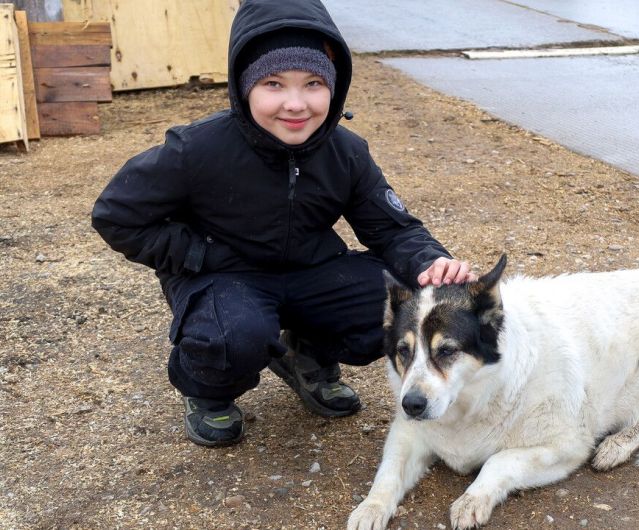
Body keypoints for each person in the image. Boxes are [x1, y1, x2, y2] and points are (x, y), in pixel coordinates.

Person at [91, 0, 475, 447]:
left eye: (313, 83)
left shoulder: (345, 151)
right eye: (273, 83)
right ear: (243, 85)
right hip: (223, 277)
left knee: (392, 307)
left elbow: (392, 229)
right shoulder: (196, 149)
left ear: (334, 86)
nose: (296, 104)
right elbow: (116, 215)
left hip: (309, 271)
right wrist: (200, 253)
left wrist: (431, 261)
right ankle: (207, 392)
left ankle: (306, 355)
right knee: (234, 335)